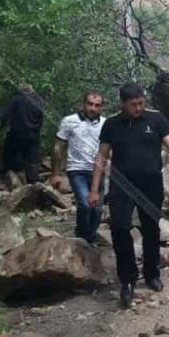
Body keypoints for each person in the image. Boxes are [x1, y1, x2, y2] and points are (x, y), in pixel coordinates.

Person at [88, 83, 169, 308]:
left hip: (150, 184)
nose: (138, 108)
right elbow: (101, 157)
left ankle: (152, 273)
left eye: (141, 103)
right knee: (120, 227)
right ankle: (127, 279)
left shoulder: (156, 119)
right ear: (122, 104)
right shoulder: (111, 125)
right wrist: (94, 189)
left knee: (151, 228)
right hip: (121, 186)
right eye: (133, 104)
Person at [49, 92, 106, 245]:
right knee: (85, 204)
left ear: (101, 107)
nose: (92, 108)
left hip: (98, 170)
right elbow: (58, 147)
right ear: (83, 103)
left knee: (97, 209)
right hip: (76, 169)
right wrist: (55, 173)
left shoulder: (105, 124)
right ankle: (84, 239)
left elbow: (110, 148)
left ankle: (89, 238)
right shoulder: (69, 121)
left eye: (97, 105)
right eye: (90, 104)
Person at [0, 83, 44, 183]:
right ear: (31, 91)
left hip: (17, 133)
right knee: (31, 159)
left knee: (9, 153)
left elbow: (5, 115)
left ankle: (6, 177)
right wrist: (37, 130)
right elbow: (40, 119)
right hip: (33, 134)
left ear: (21, 91)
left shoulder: (16, 100)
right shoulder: (38, 102)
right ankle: (33, 182)